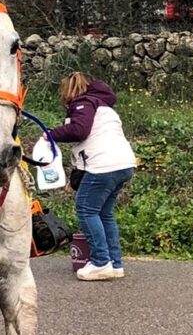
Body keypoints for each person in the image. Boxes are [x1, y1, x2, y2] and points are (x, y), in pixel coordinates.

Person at [47, 73, 137, 281]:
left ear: (69, 91)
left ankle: (100, 262)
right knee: (104, 213)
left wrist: (51, 134)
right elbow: (89, 145)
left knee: (86, 209)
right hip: (123, 164)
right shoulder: (104, 106)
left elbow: (80, 131)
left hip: (103, 165)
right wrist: (75, 178)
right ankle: (115, 263)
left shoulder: (82, 104)